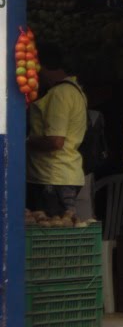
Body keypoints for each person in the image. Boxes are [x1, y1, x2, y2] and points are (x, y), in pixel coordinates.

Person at [26, 42, 87, 217]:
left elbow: (55, 140)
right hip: (61, 175)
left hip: (53, 178)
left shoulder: (60, 94)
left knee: (51, 230)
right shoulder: (74, 90)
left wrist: (26, 142)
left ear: (40, 66)